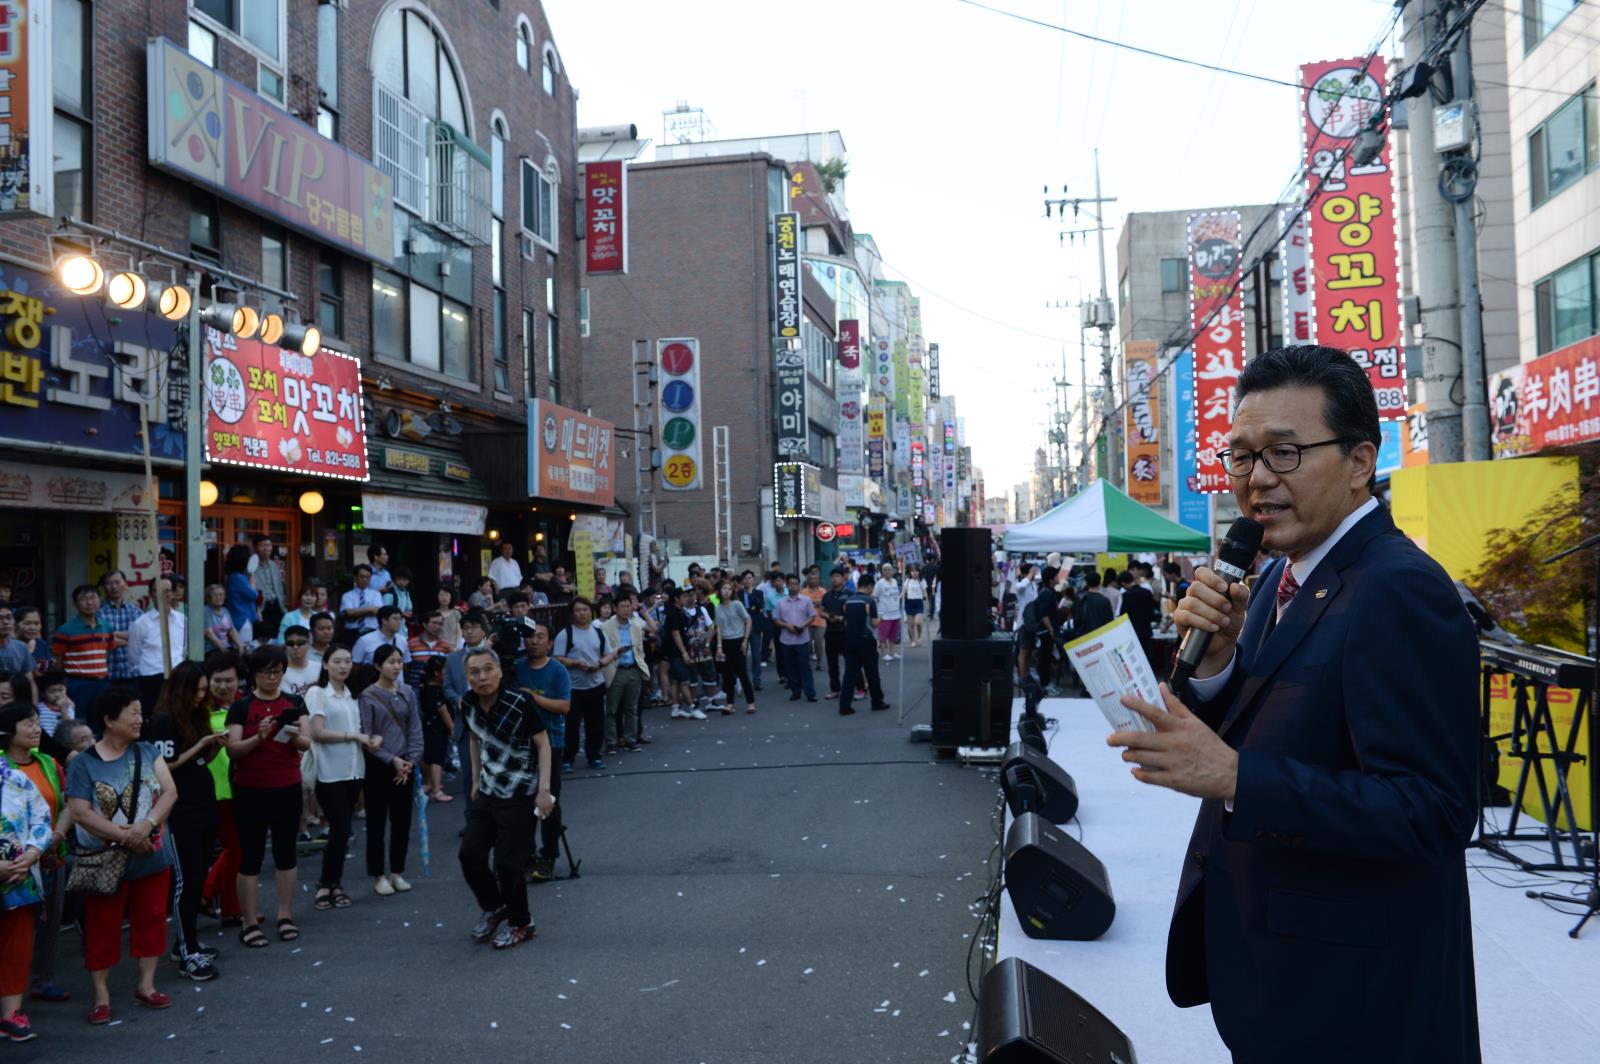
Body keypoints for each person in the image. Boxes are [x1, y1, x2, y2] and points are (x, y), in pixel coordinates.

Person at [1107, 344, 1481, 1063]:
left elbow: (1432, 812)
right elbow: (1270, 725)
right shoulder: (1278, 576)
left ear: (1360, 460)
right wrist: (1215, 665)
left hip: (1359, 1005)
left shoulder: (1398, 587)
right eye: (1242, 456)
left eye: (1285, 453)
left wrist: (1237, 777)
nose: (1256, 479)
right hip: (1280, 977)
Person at [66, 687, 177, 1024]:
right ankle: (101, 996)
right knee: (102, 926)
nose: (140, 719)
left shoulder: (147, 751)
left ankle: (147, 985)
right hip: (103, 859)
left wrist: (147, 824)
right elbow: (80, 812)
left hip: (151, 852)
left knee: (152, 918)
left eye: (140, 712)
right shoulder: (83, 763)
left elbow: (169, 792)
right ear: (109, 720)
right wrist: (127, 836)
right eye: (133, 712)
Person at [459, 644, 554, 950]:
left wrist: (543, 791)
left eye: (488, 669)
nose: (482, 677)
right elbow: (474, 738)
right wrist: (476, 778)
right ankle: (495, 906)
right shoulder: (467, 703)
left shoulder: (519, 701)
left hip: (521, 791)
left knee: (508, 864)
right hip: (488, 790)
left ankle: (522, 923)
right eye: (475, 672)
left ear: (499, 671)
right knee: (470, 854)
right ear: (467, 676)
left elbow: (543, 744)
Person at [141, 662, 225, 981]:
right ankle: (187, 950)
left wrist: (212, 747)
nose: (201, 696)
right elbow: (166, 765)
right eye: (197, 690)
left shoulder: (198, 715)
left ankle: (186, 942)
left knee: (199, 873)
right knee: (186, 880)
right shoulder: (163, 721)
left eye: (204, 690)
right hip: (179, 807)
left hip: (204, 798)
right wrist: (200, 747)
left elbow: (201, 759)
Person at [224, 644, 311, 948]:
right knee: (251, 857)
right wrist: (258, 738)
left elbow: (307, 743)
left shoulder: (295, 702)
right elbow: (232, 749)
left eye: (276, 672)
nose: (272, 678)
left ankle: (285, 915)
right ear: (254, 674)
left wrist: (291, 734)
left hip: (287, 785)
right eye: (265, 672)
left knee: (286, 854)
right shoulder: (242, 706)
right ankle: (249, 922)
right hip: (251, 789)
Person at [0, 703, 68, 1025]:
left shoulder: (20, 778)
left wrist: (30, 854)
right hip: (14, 869)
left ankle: (11, 1014)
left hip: (23, 872)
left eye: (37, 722)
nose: (36, 728)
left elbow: (41, 819)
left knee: (19, 943)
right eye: (28, 723)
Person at [305, 646, 378, 912]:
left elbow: (362, 729)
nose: (343, 666)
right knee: (341, 829)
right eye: (337, 661)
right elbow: (317, 732)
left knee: (342, 831)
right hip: (329, 772)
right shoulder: (317, 693)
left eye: (348, 661)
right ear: (325, 664)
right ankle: (326, 884)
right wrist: (353, 736)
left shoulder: (353, 695)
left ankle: (333, 884)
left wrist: (371, 738)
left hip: (354, 770)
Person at [358, 644, 422, 897]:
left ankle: (397, 871)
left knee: (402, 821)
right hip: (379, 765)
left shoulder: (407, 691)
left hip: (405, 764)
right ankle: (378, 875)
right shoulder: (368, 696)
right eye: (390, 662)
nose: (396, 666)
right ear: (378, 666)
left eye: (399, 661)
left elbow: (415, 727)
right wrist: (391, 759)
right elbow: (367, 735)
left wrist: (411, 760)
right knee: (376, 822)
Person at [513, 621, 571, 884]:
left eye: (540, 637)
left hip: (551, 741)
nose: (533, 641)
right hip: (519, 743)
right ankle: (526, 852)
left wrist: (532, 697)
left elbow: (564, 706)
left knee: (549, 800)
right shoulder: (515, 668)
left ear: (550, 643)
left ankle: (549, 855)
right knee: (521, 803)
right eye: (529, 637)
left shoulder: (558, 671)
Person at [199, 653, 243, 928]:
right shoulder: (200, 711)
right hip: (213, 790)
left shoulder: (245, 706)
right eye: (217, 680)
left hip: (244, 786)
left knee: (237, 850)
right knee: (235, 850)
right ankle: (210, 895)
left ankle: (227, 906)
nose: (223, 686)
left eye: (229, 680)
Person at [552, 598, 608, 771]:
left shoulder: (598, 633)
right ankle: (568, 758)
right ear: (572, 613)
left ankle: (594, 756)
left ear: (590, 612)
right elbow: (557, 658)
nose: (582, 613)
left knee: (596, 724)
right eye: (578, 610)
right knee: (571, 725)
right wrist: (575, 663)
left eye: (585, 609)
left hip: (596, 684)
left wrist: (599, 664)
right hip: (572, 688)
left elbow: (609, 654)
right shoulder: (565, 634)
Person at [51, 584, 121, 721]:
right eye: (83, 599)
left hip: (102, 682)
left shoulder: (106, 627)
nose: (89, 602)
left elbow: (106, 652)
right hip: (77, 684)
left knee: (102, 719)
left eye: (93, 598)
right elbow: (57, 662)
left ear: (100, 600)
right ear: (75, 604)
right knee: (78, 720)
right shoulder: (65, 630)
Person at [125, 576, 187, 710]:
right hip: (151, 679)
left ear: (173, 593)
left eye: (168, 591)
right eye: (158, 590)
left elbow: (184, 648)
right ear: (151, 594)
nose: (164, 595)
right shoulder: (140, 623)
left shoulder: (183, 620)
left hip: (178, 677)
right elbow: (133, 657)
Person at [601, 595, 651, 749]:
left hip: (633, 669)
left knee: (632, 708)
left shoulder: (635, 626)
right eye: (622, 607)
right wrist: (617, 651)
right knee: (612, 709)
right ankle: (611, 741)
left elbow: (640, 649)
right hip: (616, 669)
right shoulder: (605, 627)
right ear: (615, 608)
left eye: (628, 606)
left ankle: (631, 739)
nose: (626, 610)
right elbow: (602, 651)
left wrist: (640, 663)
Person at [838, 573, 889, 716]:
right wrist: (881, 618)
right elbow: (874, 622)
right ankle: (877, 702)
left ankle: (844, 706)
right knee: (872, 673)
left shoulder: (847, 602)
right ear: (870, 586)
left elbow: (846, 622)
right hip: (866, 640)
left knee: (849, 675)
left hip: (850, 640)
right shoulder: (869, 601)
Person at [713, 580, 756, 714]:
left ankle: (751, 703)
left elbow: (748, 620)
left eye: (729, 589)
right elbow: (719, 628)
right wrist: (719, 646)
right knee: (727, 675)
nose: (726, 591)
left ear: (732, 592)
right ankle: (730, 704)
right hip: (725, 642)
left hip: (739, 640)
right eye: (724, 588)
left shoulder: (737, 604)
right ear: (719, 591)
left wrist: (745, 640)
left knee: (742, 673)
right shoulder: (717, 607)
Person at [416, 656, 455, 802]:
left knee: (427, 757)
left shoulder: (423, 687)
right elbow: (443, 711)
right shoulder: (437, 690)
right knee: (437, 759)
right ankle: (436, 791)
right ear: (437, 673)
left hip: (426, 725)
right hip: (438, 728)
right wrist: (452, 728)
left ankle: (427, 783)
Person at [773, 574, 817, 702]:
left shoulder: (806, 600)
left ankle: (810, 692)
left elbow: (812, 616)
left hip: (802, 639)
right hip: (786, 640)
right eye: (791, 584)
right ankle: (795, 691)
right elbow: (776, 619)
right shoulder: (781, 603)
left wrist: (803, 625)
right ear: (787, 585)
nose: (793, 586)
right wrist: (787, 626)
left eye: (796, 584)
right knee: (790, 667)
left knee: (805, 666)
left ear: (799, 586)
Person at [662, 587, 702, 720]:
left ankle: (675, 709)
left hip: (676, 651)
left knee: (676, 680)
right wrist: (684, 652)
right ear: (676, 599)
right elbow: (675, 634)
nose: (687, 599)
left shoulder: (679, 611)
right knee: (684, 680)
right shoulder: (673, 612)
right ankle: (693, 708)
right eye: (684, 596)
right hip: (675, 652)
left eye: (687, 596)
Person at [97, 570, 143, 686]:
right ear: (104, 587)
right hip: (107, 674)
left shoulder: (135, 611)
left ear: (125, 584)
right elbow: (98, 639)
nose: (114, 587)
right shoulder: (97, 612)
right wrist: (130, 638)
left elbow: (142, 636)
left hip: (133, 673)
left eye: (117, 582)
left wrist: (111, 635)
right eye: (109, 583)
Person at [1116, 569, 1159, 672]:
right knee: (1147, 656)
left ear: (1123, 583)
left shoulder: (1126, 595)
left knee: (1136, 658)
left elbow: (1123, 615)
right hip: (1147, 630)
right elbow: (1152, 612)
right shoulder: (1147, 592)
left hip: (1133, 632)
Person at [819, 569, 850, 699]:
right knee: (832, 663)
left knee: (851, 662)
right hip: (830, 632)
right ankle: (835, 689)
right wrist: (828, 616)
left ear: (843, 578)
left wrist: (840, 618)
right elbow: (821, 611)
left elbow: (853, 613)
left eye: (837, 576)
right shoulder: (827, 595)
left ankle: (858, 687)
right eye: (832, 576)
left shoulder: (849, 594)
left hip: (846, 633)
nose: (834, 579)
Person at [248, 535, 286, 633]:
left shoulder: (274, 565)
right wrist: (256, 610)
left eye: (268, 545)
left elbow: (279, 587)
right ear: (255, 548)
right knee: (264, 636)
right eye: (262, 546)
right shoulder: (251, 566)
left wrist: (283, 605)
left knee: (279, 633)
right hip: (261, 608)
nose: (266, 549)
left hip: (277, 606)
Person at [408, 609, 455, 689]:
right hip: (416, 688)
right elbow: (406, 667)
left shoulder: (446, 646)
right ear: (424, 624)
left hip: (439, 689)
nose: (437, 627)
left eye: (440, 624)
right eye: (434, 623)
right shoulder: (411, 644)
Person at [223, 545, 259, 646]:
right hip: (242, 619)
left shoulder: (234, 576)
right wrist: (253, 582)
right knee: (244, 648)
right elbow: (253, 594)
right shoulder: (238, 577)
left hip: (239, 618)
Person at [339, 564, 383, 645]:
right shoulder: (347, 595)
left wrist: (356, 612)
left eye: (368, 577)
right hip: (352, 632)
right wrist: (370, 609)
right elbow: (349, 613)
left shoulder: (376, 594)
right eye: (362, 577)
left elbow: (378, 611)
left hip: (372, 631)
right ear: (355, 577)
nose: (365, 580)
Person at [0, 605, 34, 697]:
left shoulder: (21, 647)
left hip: (18, 700)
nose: (5, 622)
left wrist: (33, 705)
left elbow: (30, 681)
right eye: (0, 618)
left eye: (8, 617)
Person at [1070, 569, 1115, 637]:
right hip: (1101, 635)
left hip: (1084, 635)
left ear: (1087, 583)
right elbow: (1109, 621)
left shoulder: (1080, 598)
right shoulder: (1105, 600)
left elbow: (1076, 619)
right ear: (1099, 583)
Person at [203, 583, 244, 655]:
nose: (218, 597)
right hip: (212, 649)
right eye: (215, 595)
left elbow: (232, 630)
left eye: (221, 595)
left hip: (227, 647)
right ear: (209, 597)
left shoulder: (225, 610)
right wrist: (223, 649)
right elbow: (209, 633)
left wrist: (240, 645)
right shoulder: (206, 610)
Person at [281, 626, 320, 697]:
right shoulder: (281, 674)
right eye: (290, 643)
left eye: (300, 643)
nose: (295, 647)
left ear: (309, 644)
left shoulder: (320, 667)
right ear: (285, 646)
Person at [13, 607, 51, 676]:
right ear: (15, 624)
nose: (33, 628)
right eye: (27, 623)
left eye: (37, 623)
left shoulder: (42, 644)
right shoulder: (7, 646)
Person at [902, 564, 928, 648]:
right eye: (913, 571)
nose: (915, 573)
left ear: (919, 572)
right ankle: (913, 640)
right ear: (910, 572)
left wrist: (926, 602)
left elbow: (925, 592)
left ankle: (919, 637)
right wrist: (898, 598)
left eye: (916, 571)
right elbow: (903, 591)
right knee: (911, 624)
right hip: (909, 603)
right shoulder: (907, 581)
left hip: (918, 603)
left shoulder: (922, 581)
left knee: (918, 622)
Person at [434, 581, 464, 649]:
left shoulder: (456, 613)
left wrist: (456, 646)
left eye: (446, 595)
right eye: (441, 595)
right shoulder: (435, 614)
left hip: (455, 646)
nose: (444, 598)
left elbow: (459, 631)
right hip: (439, 647)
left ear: (451, 596)